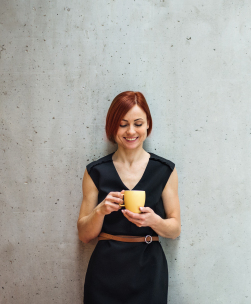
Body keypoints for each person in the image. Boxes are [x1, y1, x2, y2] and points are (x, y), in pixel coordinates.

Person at [77, 91, 181, 304]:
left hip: (149, 269)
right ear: (112, 127)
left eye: (138, 123)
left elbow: (175, 229)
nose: (131, 131)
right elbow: (84, 235)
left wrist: (154, 221)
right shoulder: (95, 171)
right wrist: (101, 210)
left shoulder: (164, 170)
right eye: (123, 124)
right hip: (105, 271)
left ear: (148, 126)